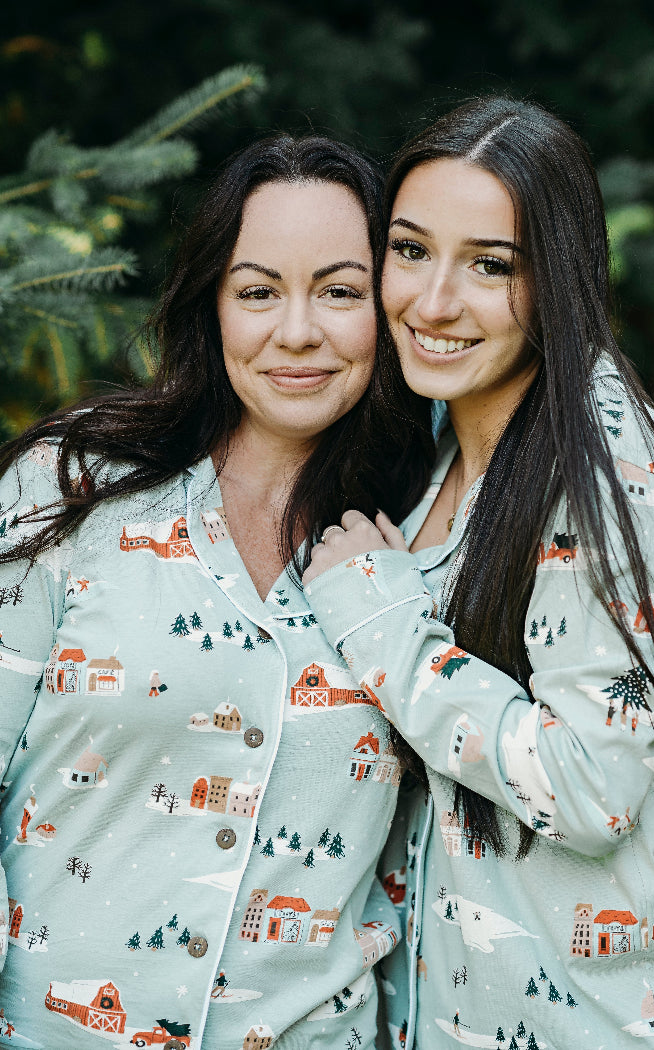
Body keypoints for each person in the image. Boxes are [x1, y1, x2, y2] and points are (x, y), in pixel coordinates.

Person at [0, 134, 432, 1048]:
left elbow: (566, 742)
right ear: (213, 306)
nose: (299, 331)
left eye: (341, 291)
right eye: (259, 290)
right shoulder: (68, 486)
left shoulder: (429, 542)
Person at [302, 98, 654, 1048]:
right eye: (409, 250)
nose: (434, 303)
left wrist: (381, 617)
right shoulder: (452, 432)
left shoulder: (602, 462)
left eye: (490, 266)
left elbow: (590, 784)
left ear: (556, 278)